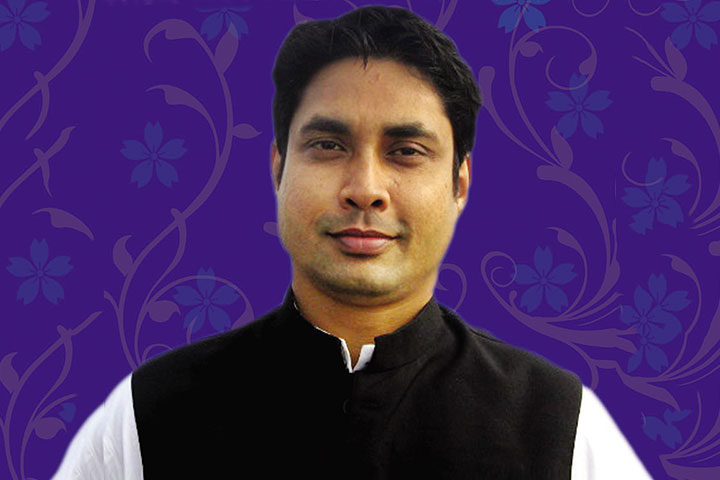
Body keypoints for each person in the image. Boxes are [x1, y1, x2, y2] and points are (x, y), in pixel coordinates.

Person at [53, 6, 652, 479]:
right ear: (278, 167)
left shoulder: (560, 427)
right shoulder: (150, 417)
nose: (365, 189)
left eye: (406, 151)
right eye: (328, 146)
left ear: (460, 183)